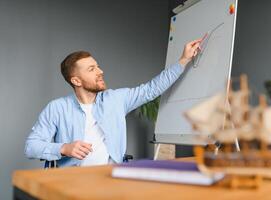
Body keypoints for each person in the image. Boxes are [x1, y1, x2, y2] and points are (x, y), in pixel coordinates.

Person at [24, 38, 204, 167]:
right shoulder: (56, 108)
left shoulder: (116, 99)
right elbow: (31, 146)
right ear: (76, 81)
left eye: (98, 66)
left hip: (110, 179)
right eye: (92, 69)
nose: (100, 71)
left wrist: (184, 60)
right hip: (71, 182)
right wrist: (64, 148)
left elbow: (151, 89)